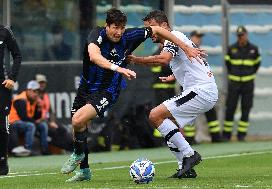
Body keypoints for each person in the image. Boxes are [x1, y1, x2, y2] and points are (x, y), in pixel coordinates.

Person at [60, 8, 205, 182]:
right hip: (86, 87)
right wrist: (118, 67)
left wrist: (185, 47)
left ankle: (77, 153)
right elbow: (93, 56)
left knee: (78, 120)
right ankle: (84, 170)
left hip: (108, 89)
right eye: (115, 27)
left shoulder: (130, 36)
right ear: (107, 26)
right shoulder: (96, 33)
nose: (118, 32)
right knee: (79, 125)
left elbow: (158, 30)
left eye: (122, 27)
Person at [127, 10, 218, 179]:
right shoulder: (178, 38)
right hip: (204, 91)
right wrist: (174, 75)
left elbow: (163, 59)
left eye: (152, 28)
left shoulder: (171, 36)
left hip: (201, 91)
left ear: (164, 26)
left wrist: (135, 60)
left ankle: (190, 155)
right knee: (168, 127)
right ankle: (185, 167)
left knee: (155, 115)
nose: (150, 33)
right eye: (148, 29)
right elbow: (187, 63)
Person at [223, 26, 261, 141]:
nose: (241, 38)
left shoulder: (254, 49)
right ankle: (227, 135)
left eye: (242, 35)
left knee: (246, 108)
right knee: (230, 108)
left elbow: (257, 65)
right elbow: (228, 65)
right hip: (234, 83)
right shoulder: (231, 49)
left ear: (246, 35)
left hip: (248, 84)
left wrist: (248, 75)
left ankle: (241, 135)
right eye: (239, 36)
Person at [183, 30, 221, 143]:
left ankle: (216, 137)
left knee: (210, 111)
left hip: (202, 87)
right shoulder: (186, 50)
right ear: (191, 38)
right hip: (191, 87)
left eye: (200, 37)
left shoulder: (198, 51)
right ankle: (190, 139)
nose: (199, 39)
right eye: (197, 37)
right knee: (190, 112)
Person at [0, 25, 22, 175]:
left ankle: (2, 161)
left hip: (2, 86)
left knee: (2, 125)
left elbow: (17, 55)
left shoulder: (4, 31)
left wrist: (12, 78)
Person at [9, 81, 42, 155]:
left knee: (43, 126)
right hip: (13, 122)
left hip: (21, 122)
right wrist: (34, 122)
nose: (36, 94)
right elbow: (23, 117)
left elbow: (36, 117)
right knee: (30, 125)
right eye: (34, 91)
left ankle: (45, 150)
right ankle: (27, 150)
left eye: (37, 92)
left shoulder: (33, 100)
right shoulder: (21, 99)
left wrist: (39, 108)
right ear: (28, 90)